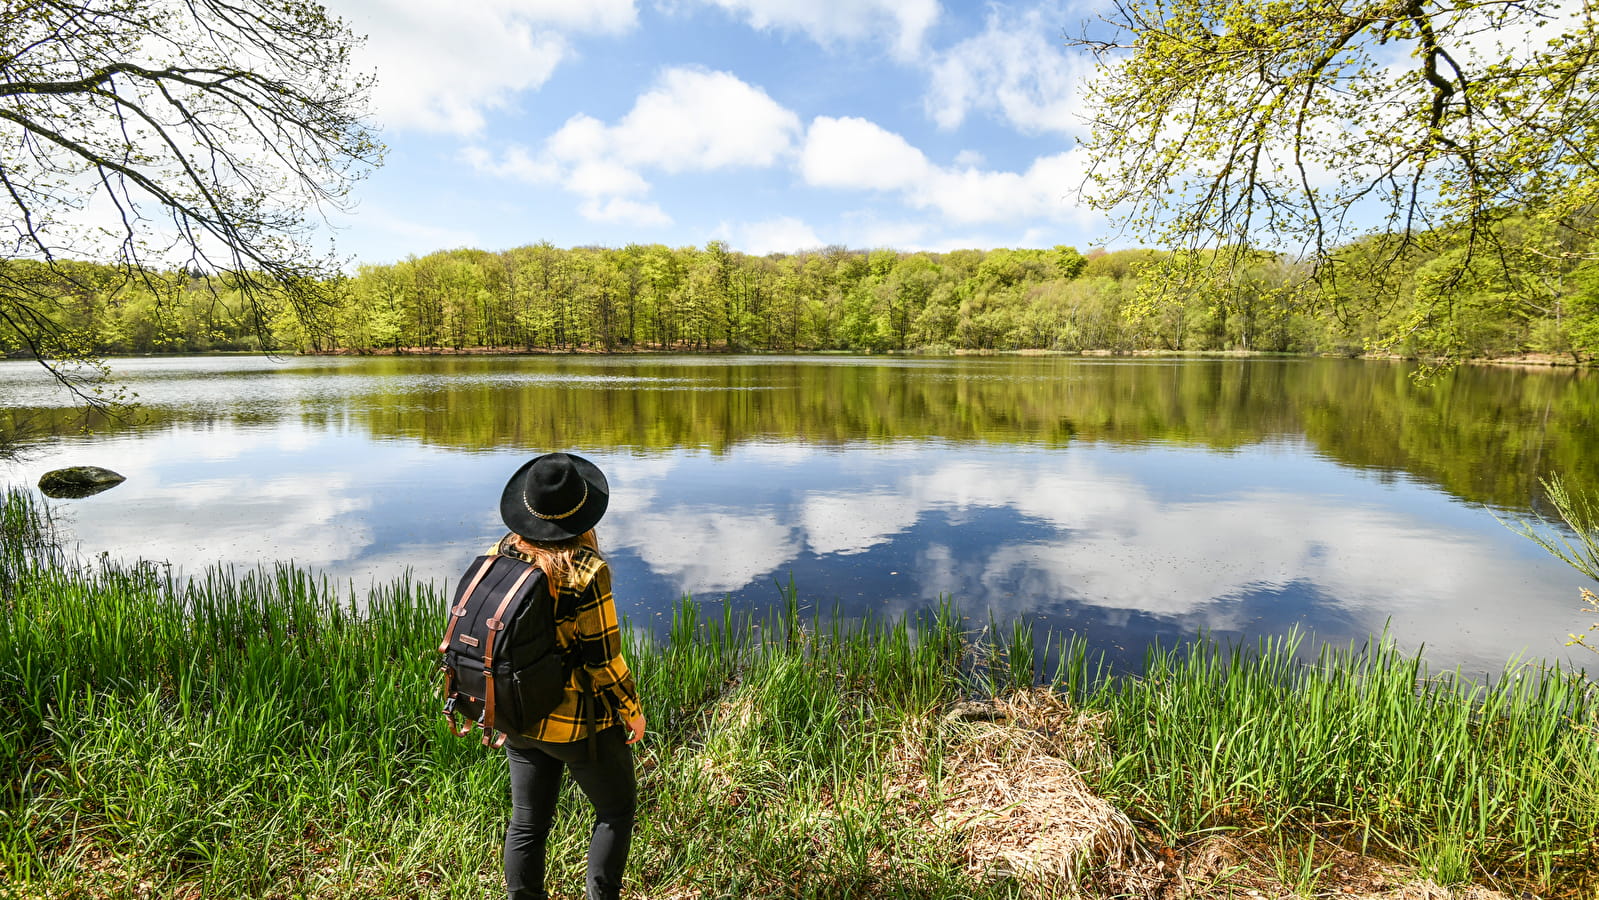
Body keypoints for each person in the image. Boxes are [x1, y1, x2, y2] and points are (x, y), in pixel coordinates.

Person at [488, 452, 646, 900]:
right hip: (577, 724)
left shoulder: (498, 554)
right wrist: (631, 711)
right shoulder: (586, 572)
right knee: (615, 812)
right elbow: (603, 660)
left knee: (527, 822)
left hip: (517, 717)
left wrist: (495, 706)